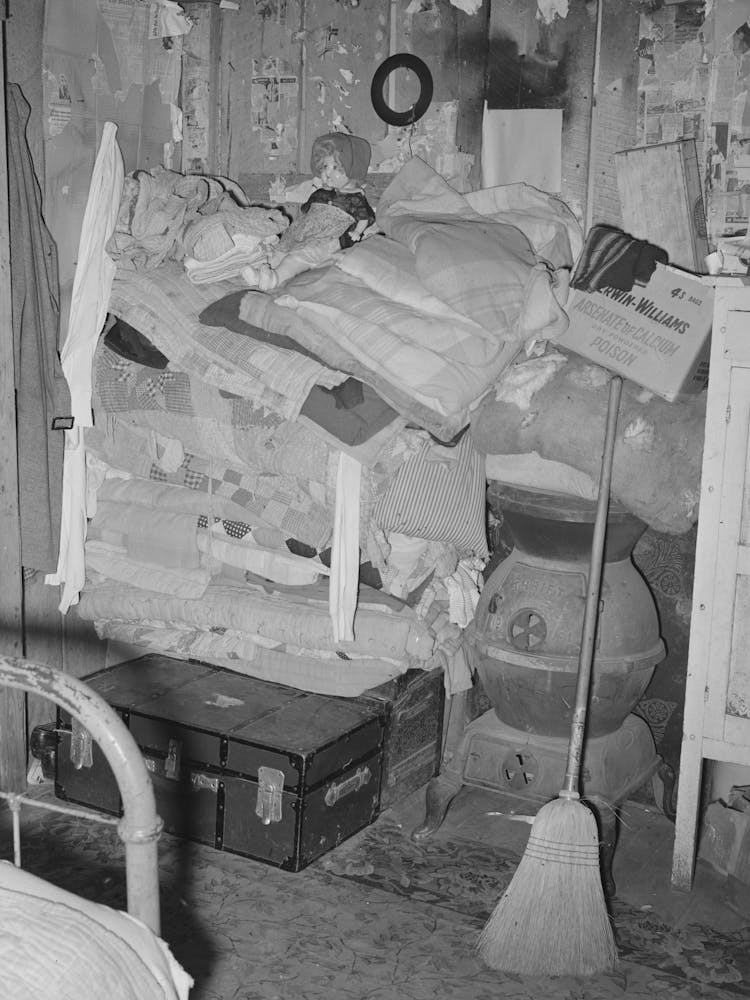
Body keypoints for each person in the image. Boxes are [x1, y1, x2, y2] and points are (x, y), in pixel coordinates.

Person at [242, 132, 376, 291]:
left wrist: (358, 232)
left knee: (298, 256)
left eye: (335, 167)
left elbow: (364, 217)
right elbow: (308, 210)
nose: (327, 173)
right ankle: (261, 274)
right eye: (325, 166)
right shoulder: (323, 192)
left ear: (352, 170)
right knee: (281, 250)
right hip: (304, 230)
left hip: (326, 238)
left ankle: (275, 278)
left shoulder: (355, 198)